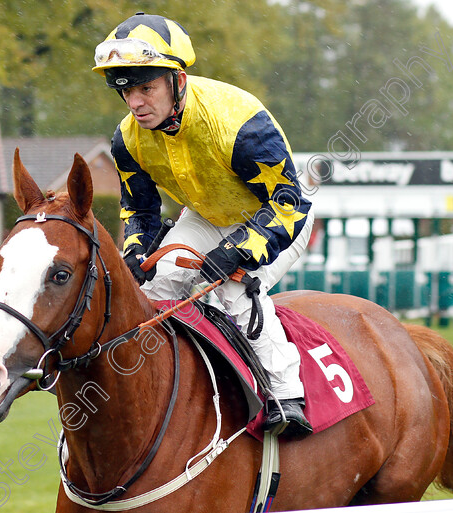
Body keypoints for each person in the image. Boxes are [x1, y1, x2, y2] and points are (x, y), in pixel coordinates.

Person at [94, 13, 315, 435]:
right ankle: (138, 388)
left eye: (146, 88)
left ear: (177, 80)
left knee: (232, 286)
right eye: (126, 91)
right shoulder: (127, 140)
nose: (136, 103)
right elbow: (139, 211)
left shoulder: (238, 121)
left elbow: (289, 202)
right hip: (206, 216)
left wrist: (236, 252)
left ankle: (288, 395)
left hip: (277, 216)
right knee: (155, 286)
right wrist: (137, 250)